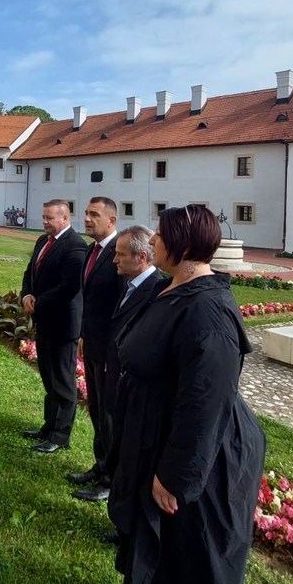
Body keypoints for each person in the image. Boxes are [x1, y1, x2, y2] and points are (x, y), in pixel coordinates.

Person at [109, 206, 266, 584]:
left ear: (182, 245)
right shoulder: (173, 287)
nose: (152, 241)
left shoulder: (209, 312)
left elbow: (204, 403)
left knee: (202, 561)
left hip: (207, 460)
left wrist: (176, 475)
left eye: (161, 235)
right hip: (163, 437)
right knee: (174, 552)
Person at [94, 224, 166, 544]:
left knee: (131, 463)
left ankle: (129, 530)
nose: (114, 261)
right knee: (119, 453)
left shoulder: (155, 291)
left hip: (134, 390)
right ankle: (123, 523)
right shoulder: (130, 284)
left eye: (120, 255)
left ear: (141, 257)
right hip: (118, 383)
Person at [19, 199, 88, 453]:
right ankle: (48, 426)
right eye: (44, 217)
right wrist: (26, 295)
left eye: (50, 218)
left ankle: (60, 436)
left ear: (65, 218)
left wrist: (39, 303)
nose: (45, 222)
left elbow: (69, 287)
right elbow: (30, 273)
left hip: (63, 325)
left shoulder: (75, 247)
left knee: (63, 383)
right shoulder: (42, 241)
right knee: (49, 379)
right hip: (44, 322)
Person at [68, 197, 124, 502]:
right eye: (86, 213)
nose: (87, 219)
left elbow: (122, 308)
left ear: (111, 221)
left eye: (94, 214)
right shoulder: (93, 250)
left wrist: (112, 350)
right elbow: (88, 302)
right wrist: (82, 335)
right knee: (96, 411)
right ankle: (100, 465)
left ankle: (110, 479)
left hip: (109, 351)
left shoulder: (119, 253)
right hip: (91, 344)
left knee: (109, 416)